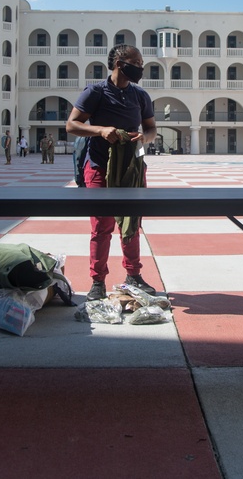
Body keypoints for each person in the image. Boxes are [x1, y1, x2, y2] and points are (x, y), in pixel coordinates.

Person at [66, 43, 157, 301]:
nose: (140, 67)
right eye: (136, 62)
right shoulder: (95, 92)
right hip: (98, 166)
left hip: (131, 168)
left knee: (131, 223)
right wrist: (101, 130)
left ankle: (133, 275)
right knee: (102, 226)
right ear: (120, 64)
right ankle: (97, 281)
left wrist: (145, 137)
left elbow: (151, 128)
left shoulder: (140, 96)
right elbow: (71, 125)